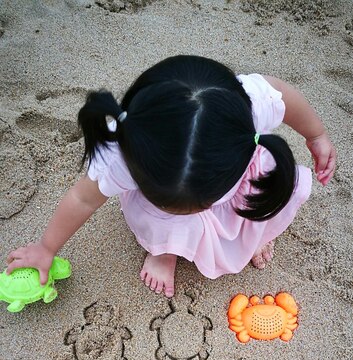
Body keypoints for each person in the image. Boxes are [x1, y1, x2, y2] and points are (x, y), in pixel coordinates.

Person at [6, 55, 336, 297]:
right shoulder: (124, 148)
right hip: (164, 210)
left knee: (274, 183)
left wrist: (316, 135)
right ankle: (165, 250)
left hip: (237, 183)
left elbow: (284, 95)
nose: (200, 211)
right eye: (189, 205)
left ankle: (256, 232)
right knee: (164, 220)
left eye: (199, 204)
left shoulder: (247, 102)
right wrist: (46, 247)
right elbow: (81, 197)